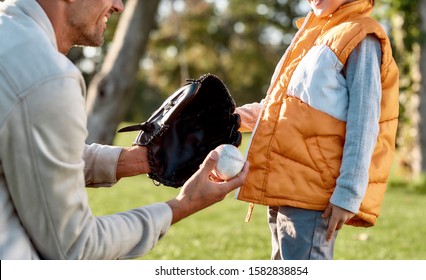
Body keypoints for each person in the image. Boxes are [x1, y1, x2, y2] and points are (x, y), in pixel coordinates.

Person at [0, 0, 249, 260]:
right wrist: (184, 205)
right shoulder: (47, 76)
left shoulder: (8, 36)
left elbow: (31, 155)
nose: (118, 6)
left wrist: (141, 159)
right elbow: (76, 248)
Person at [235, 0, 399, 260]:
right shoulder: (314, 34)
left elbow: (364, 122)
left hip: (315, 193)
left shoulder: (361, 36)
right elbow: (282, 107)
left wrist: (348, 193)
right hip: (285, 183)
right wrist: (233, 118)